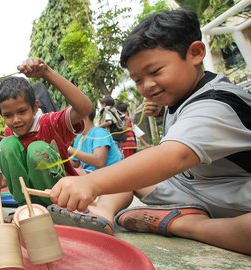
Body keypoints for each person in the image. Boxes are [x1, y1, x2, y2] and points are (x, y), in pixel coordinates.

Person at [49, 9, 251, 255]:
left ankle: (186, 225)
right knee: (132, 170)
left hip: (239, 203)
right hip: (197, 192)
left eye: (155, 72)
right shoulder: (180, 100)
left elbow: (174, 156)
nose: (146, 86)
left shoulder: (217, 104)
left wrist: (92, 182)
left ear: (196, 53)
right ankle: (103, 213)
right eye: (137, 80)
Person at [0, 57, 92, 207]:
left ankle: (55, 207)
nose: (16, 120)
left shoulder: (51, 122)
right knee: (6, 145)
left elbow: (85, 108)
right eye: (8, 115)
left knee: (37, 150)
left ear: (34, 107)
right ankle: (25, 206)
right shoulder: (9, 134)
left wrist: (46, 73)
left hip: (62, 198)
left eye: (22, 111)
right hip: (29, 203)